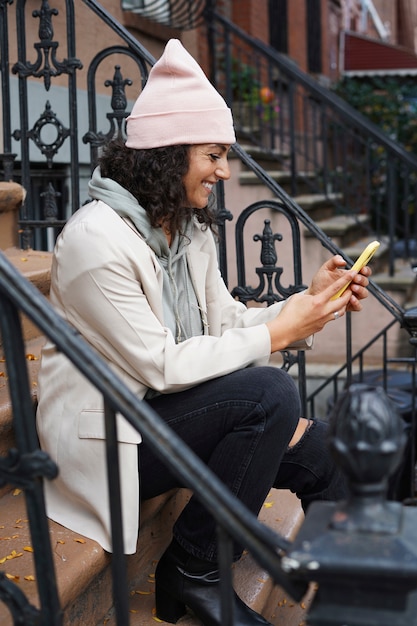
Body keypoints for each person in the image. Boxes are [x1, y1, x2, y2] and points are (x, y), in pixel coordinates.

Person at [36, 39, 371, 626]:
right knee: (270, 396)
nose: (223, 169)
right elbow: (161, 365)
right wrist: (277, 335)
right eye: (213, 153)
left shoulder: (188, 232)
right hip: (112, 436)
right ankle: (194, 566)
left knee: (320, 451)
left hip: (168, 412)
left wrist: (310, 306)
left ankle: (349, 601)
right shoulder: (94, 243)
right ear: (167, 155)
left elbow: (226, 326)